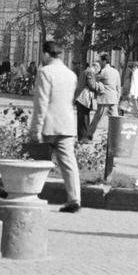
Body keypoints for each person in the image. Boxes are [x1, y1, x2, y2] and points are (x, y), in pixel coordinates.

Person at [28, 40, 82, 214]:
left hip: (48, 125)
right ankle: (74, 199)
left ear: (46, 54)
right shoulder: (71, 74)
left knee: (35, 160)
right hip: (67, 124)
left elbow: (41, 102)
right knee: (69, 163)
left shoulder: (45, 72)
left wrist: (36, 128)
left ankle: (25, 193)